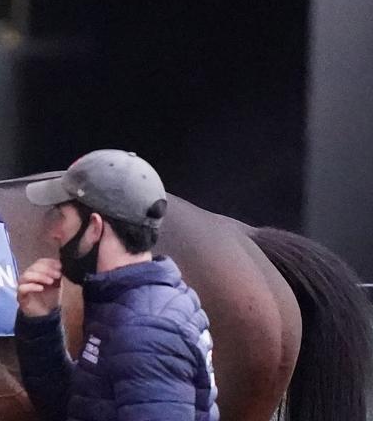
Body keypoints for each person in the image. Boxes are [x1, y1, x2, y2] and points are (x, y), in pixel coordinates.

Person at [14, 149, 219, 421]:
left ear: (95, 227)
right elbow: (76, 408)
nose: (55, 232)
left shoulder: (147, 329)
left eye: (62, 217)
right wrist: (41, 323)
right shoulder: (122, 306)